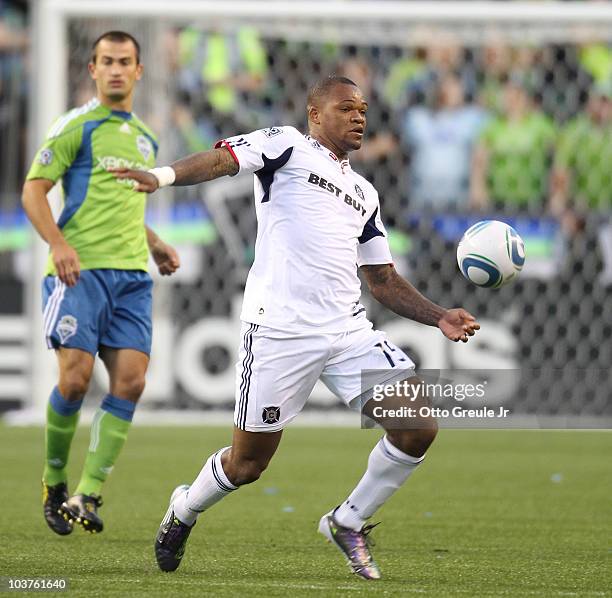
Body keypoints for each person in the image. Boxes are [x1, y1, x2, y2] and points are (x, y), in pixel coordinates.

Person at [114, 75, 479, 580]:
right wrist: (162, 177)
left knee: (418, 424)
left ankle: (347, 520)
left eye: (364, 110)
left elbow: (383, 280)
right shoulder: (286, 146)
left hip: (347, 333)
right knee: (247, 466)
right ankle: (185, 507)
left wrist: (439, 314)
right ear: (314, 113)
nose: (358, 117)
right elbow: (222, 160)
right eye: (346, 107)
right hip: (280, 332)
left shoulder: (364, 192)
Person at [22, 31, 180, 536]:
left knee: (131, 382)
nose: (115, 69)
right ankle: (53, 481)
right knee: (75, 379)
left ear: (138, 71)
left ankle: (87, 493)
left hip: (131, 274)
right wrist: (59, 245)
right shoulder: (76, 126)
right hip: (79, 271)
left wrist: (153, 241)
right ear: (92, 69)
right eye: (107, 61)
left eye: (125, 62)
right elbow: (33, 192)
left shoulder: (145, 137)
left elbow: (125, 204)